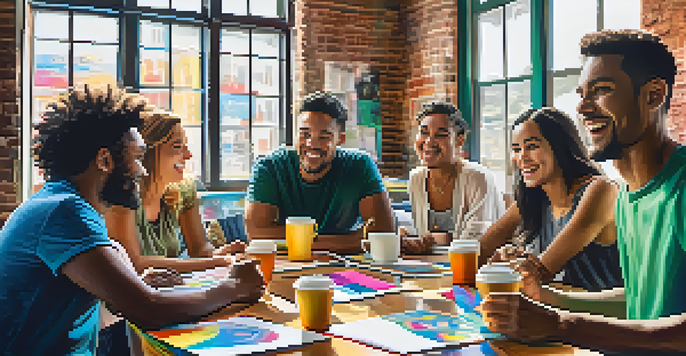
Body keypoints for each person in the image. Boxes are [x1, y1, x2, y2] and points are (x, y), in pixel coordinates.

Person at [0, 86, 263, 355]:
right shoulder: (65, 212)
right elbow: (148, 311)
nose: (142, 170)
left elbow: (74, 301)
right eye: (137, 158)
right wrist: (232, 287)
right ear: (104, 160)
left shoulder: (60, 203)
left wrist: (138, 284)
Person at [480, 30, 686, 353]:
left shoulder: (681, 187)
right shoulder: (627, 198)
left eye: (601, 90)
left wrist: (563, 325)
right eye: (582, 93)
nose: (583, 107)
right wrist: (548, 298)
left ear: (653, 95)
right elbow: (636, 304)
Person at [479, 107, 623, 294]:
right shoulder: (536, 196)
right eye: (516, 149)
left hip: (600, 317)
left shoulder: (599, 190)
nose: (522, 157)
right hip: (553, 313)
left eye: (532, 146)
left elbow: (540, 272)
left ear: (560, 146)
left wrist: (510, 264)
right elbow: (480, 252)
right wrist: (505, 256)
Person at [245, 92, 396, 254]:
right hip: (288, 264)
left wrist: (299, 241)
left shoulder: (360, 165)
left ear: (340, 139)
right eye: (305, 134)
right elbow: (257, 234)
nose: (312, 144)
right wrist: (349, 241)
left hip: (345, 266)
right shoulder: (269, 167)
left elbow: (382, 234)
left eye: (324, 137)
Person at [104, 109, 244, 275]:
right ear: (146, 152)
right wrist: (220, 262)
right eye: (177, 146)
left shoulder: (184, 189)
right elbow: (133, 263)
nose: (188, 155)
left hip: (168, 289)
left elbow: (199, 249)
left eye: (186, 146)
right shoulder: (123, 194)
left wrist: (221, 254)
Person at [402, 102, 505, 252]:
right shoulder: (416, 179)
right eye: (424, 132)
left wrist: (435, 239)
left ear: (459, 141)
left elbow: (475, 240)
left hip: (483, 266)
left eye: (441, 134)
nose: (429, 141)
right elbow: (422, 236)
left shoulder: (478, 177)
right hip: (432, 265)